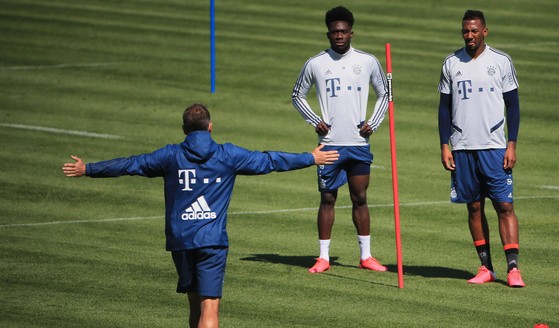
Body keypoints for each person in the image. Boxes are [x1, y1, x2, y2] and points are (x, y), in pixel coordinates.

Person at [62, 103, 339, 328]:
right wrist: (309, 158)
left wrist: (89, 169)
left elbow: (131, 164)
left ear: (184, 129)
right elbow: (268, 161)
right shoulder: (227, 154)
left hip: (180, 241)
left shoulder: (170, 155)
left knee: (194, 305)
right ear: (210, 127)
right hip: (212, 242)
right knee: (210, 306)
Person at [291, 6, 389, 273]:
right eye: (334, 32)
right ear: (328, 34)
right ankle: (323, 257)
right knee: (328, 199)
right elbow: (297, 95)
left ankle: (366, 256)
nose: (339, 36)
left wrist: (374, 123)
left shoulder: (368, 61)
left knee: (360, 198)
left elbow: (385, 94)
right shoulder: (315, 63)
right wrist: (314, 120)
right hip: (330, 145)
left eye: (343, 31)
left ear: (351, 33)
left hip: (358, 144)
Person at [437, 10, 525, 287]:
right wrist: (444, 145)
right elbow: (444, 108)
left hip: (495, 146)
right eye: (465, 31)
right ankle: (486, 267)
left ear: (485, 31)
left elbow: (513, 104)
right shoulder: (451, 63)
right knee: (473, 207)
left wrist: (512, 144)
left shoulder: (500, 61)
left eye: (474, 31)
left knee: (504, 205)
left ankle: (513, 269)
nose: (470, 35)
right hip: (462, 147)